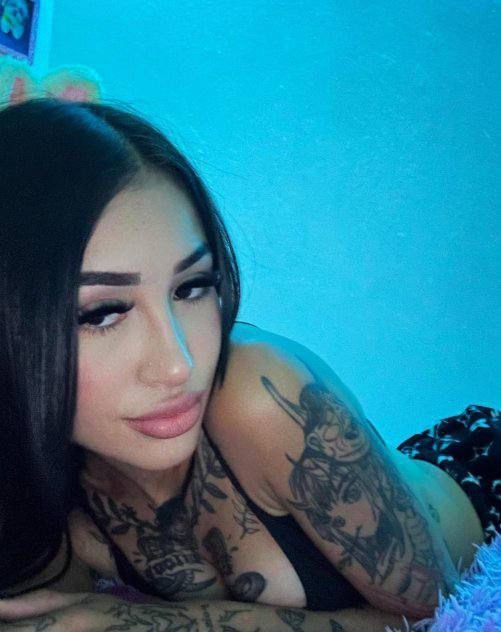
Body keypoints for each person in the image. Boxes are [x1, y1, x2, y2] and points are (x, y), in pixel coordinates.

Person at [0, 98, 498, 632]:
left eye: (192, 286)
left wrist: (155, 621)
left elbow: (436, 618)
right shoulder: (53, 494)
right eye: (102, 314)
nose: (178, 365)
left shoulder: (261, 397)